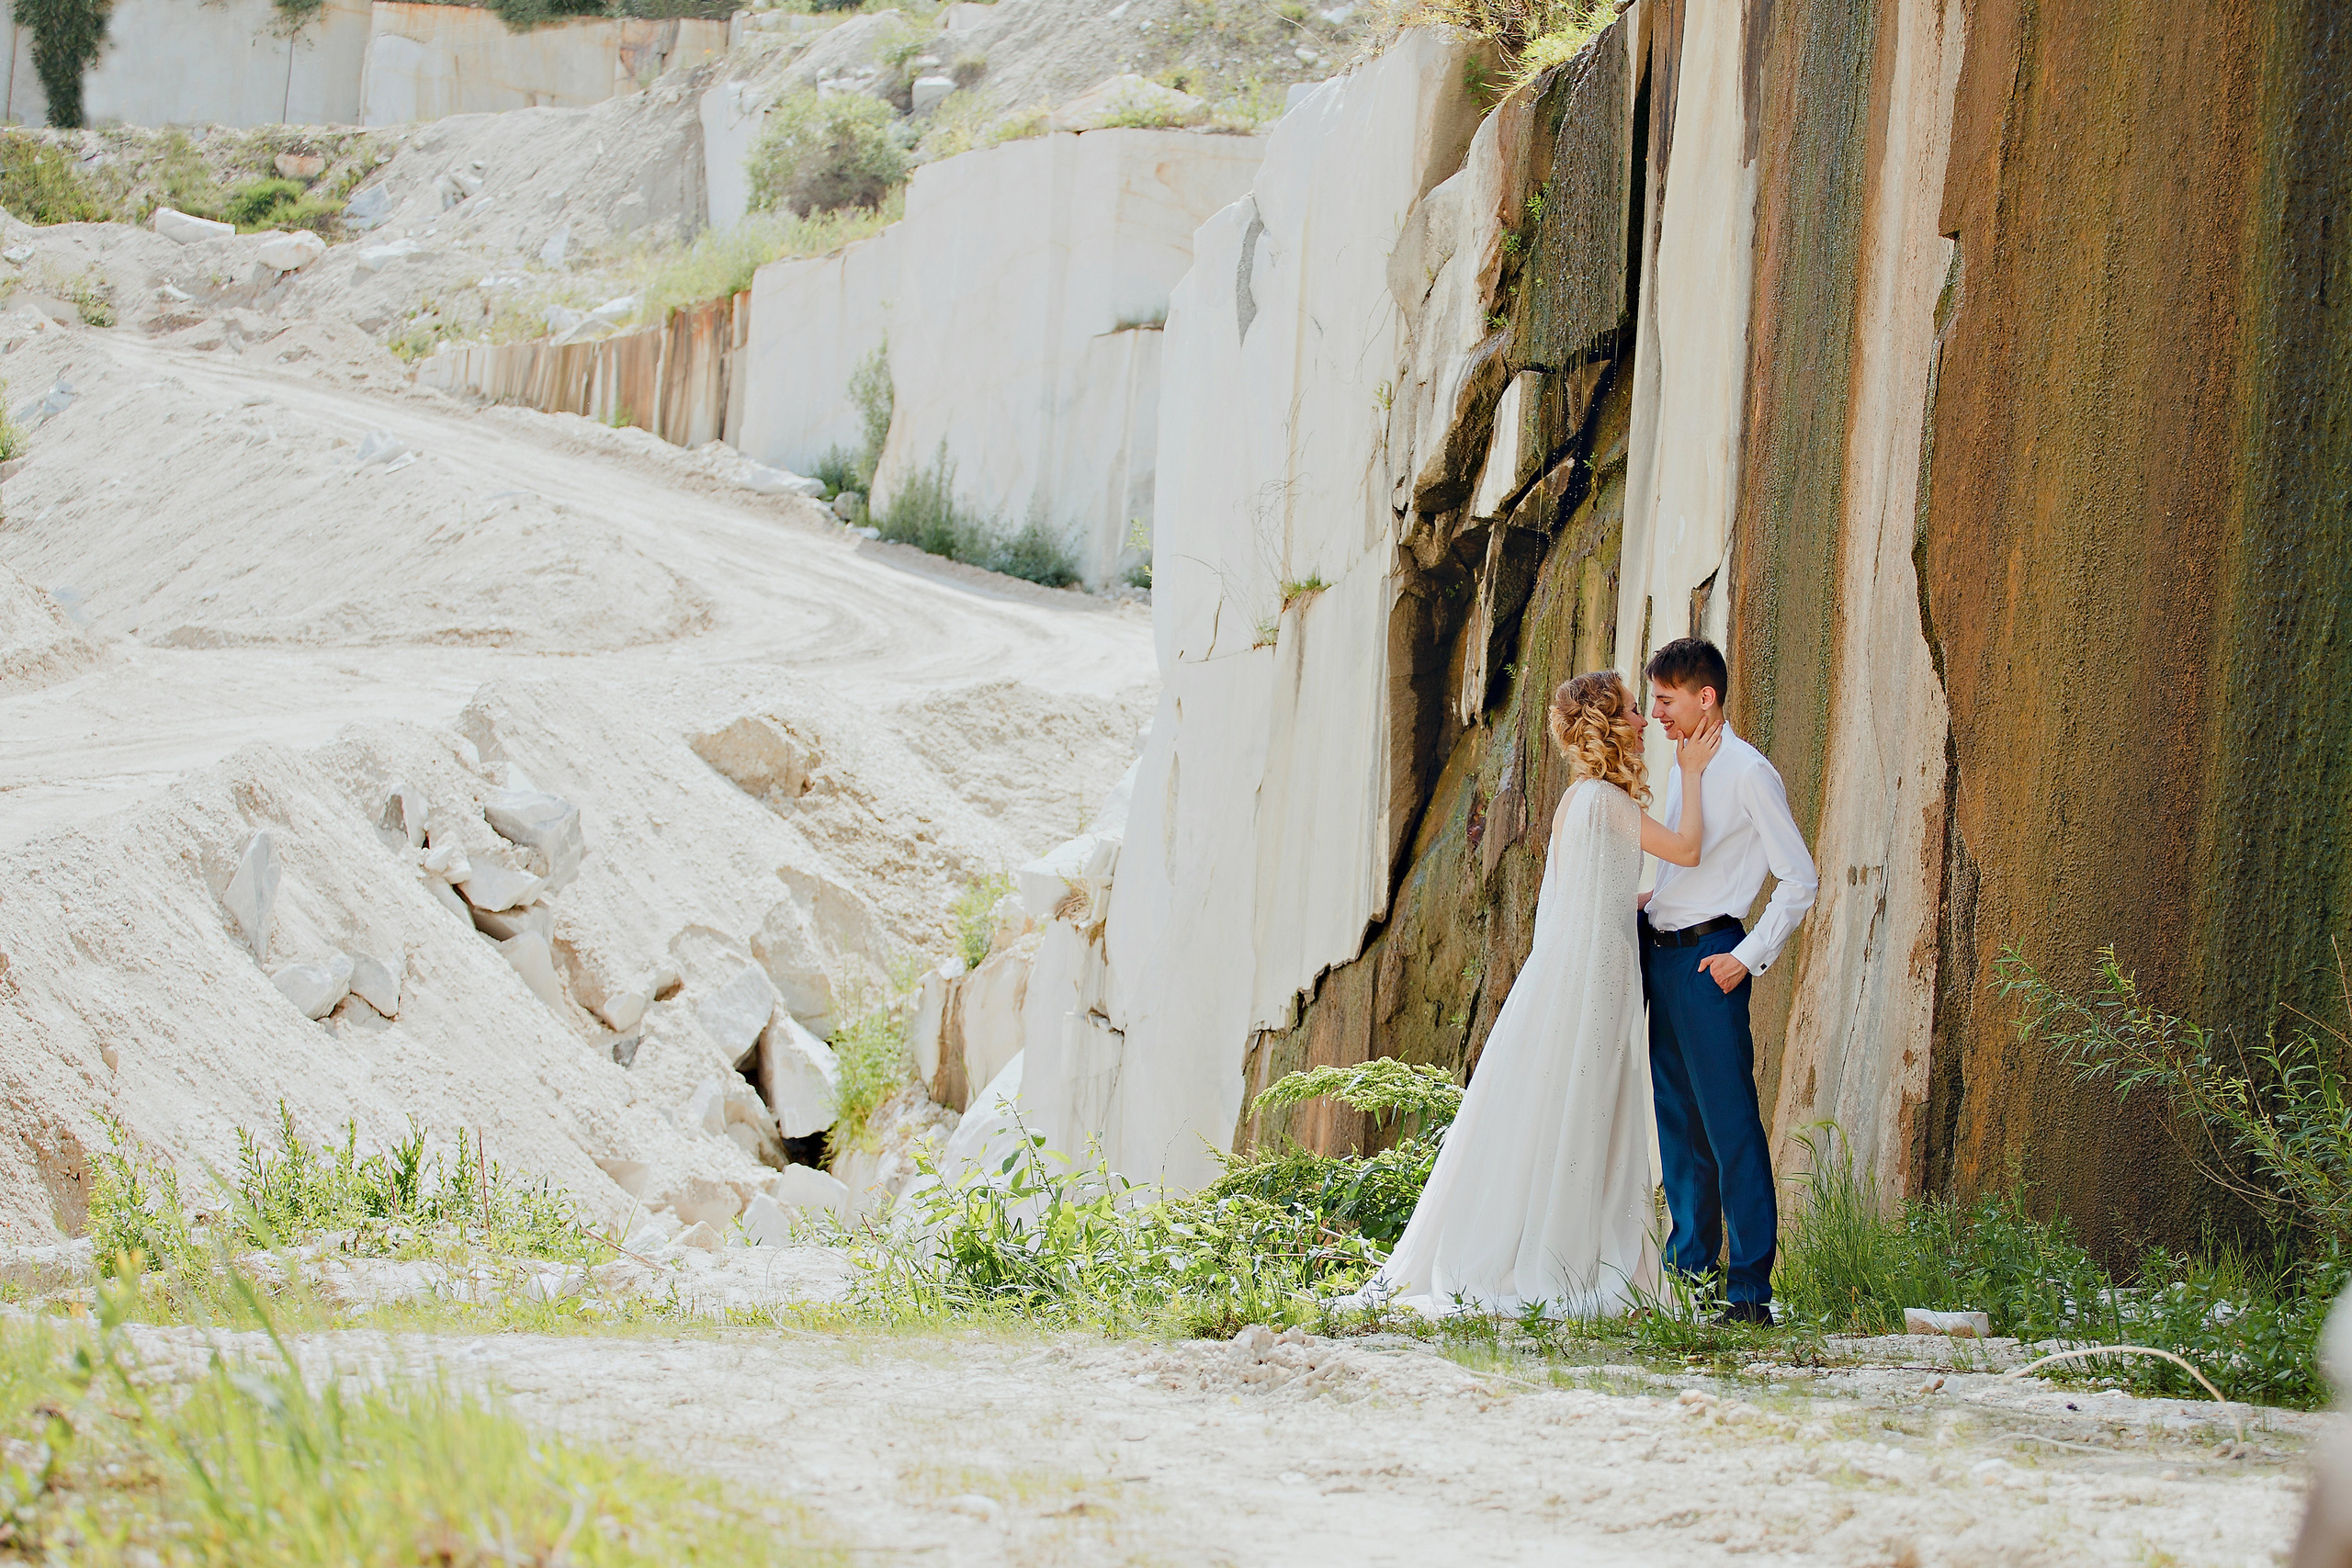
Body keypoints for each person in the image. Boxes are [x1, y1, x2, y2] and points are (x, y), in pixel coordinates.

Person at [1340, 669, 1721, 1318]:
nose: (1641, 719)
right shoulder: (1608, 802)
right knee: (1587, 1104)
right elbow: (1687, 848)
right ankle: (1571, 1253)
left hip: (1575, 973)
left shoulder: (1581, 800)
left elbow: (1593, 896)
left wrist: (1663, 901)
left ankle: (1568, 1240)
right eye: (1632, 709)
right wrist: (1693, 768)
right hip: (1595, 982)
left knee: (1570, 1104)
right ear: (1609, 724)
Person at [1639, 637, 1819, 1326]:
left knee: (1731, 1129)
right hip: (1664, 955)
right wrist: (1651, 902)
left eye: (1665, 699)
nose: (1656, 711)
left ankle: (1749, 1294)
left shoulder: (1747, 772)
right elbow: (1691, 865)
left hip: (1713, 959)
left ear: (1704, 697)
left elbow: (1798, 877)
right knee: (1679, 1131)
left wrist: (1747, 954)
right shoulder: (1688, 764)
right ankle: (1693, 1282)